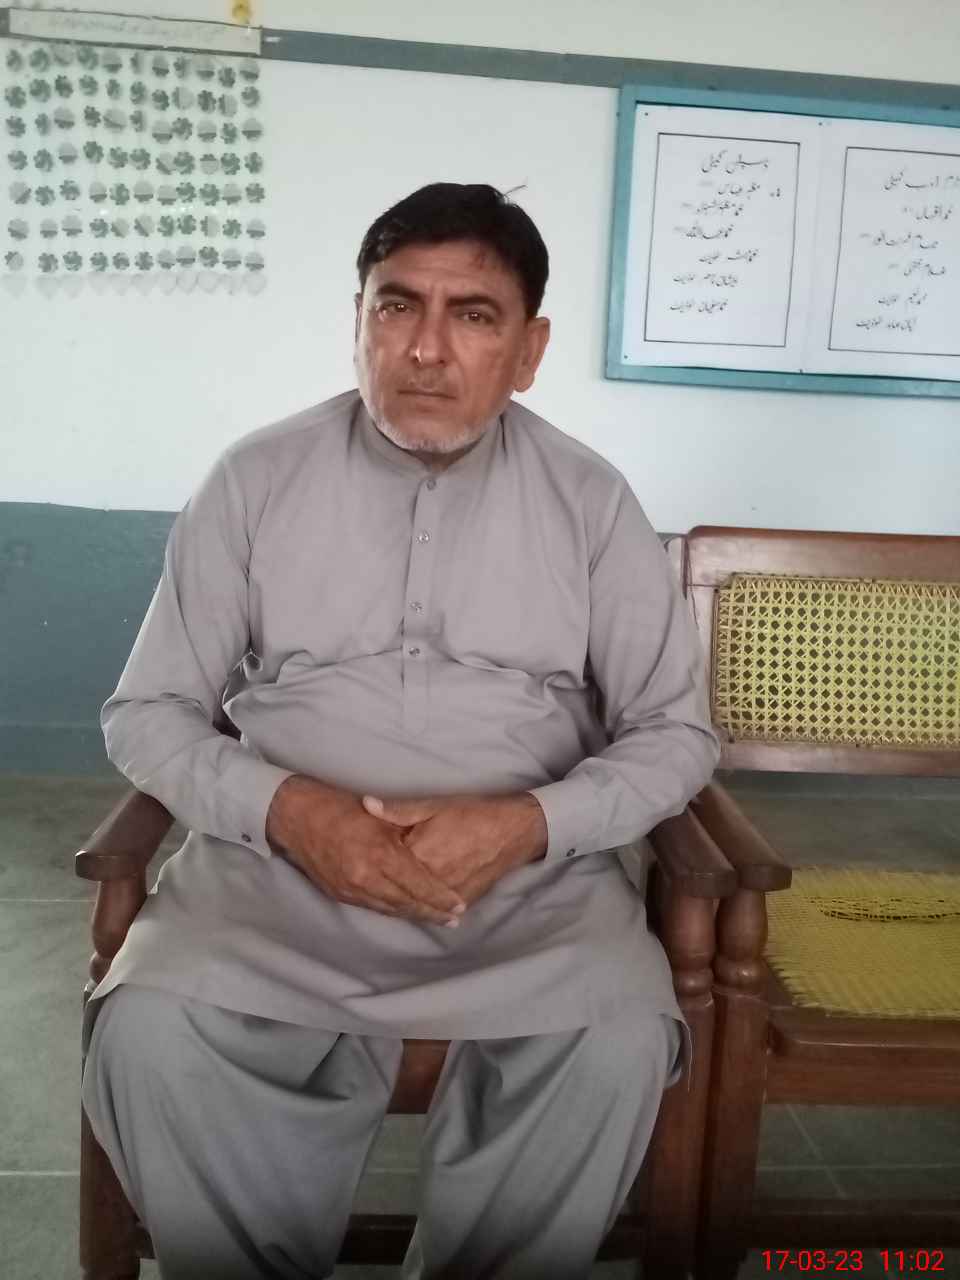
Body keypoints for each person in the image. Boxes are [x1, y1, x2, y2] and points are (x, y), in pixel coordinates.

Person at [80, 182, 719, 1280]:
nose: (426, 348)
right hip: (272, 882)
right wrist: (291, 811)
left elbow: (674, 732)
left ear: (528, 350)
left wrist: (530, 824)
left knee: (615, 1034)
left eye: (472, 314)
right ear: (359, 320)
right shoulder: (255, 478)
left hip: (525, 896)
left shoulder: (591, 501)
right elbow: (146, 712)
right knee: (149, 1028)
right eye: (396, 305)